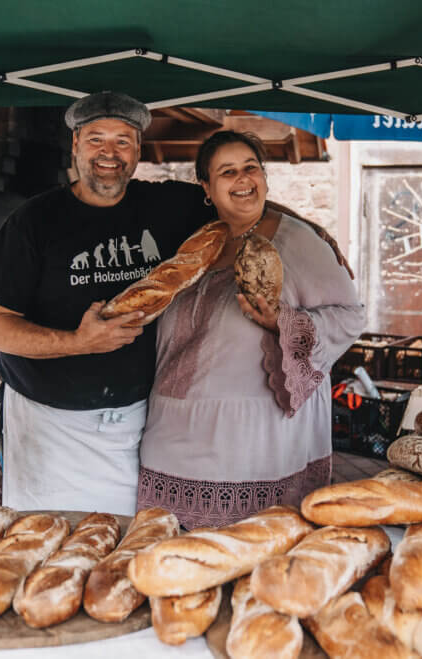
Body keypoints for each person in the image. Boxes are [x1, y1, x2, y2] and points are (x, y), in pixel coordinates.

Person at [0, 92, 350, 515]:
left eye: (123, 141)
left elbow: (233, 196)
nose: (109, 153)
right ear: (75, 144)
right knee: (49, 543)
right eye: (97, 139)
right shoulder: (33, 221)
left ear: (137, 152)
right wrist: (79, 342)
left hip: (135, 424)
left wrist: (310, 227)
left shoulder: (164, 205)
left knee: (119, 549)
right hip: (52, 425)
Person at [136, 131, 365, 529]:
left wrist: (285, 323)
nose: (243, 180)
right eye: (227, 172)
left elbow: (351, 317)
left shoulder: (298, 243)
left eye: (251, 168)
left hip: (252, 448)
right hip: (171, 443)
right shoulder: (195, 241)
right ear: (206, 188)